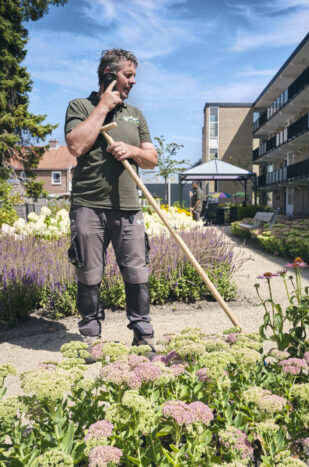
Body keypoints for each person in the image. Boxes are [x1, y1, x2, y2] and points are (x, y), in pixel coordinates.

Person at [64, 49, 158, 359]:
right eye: (127, 74)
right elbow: (77, 144)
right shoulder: (81, 106)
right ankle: (92, 338)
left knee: (137, 272)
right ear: (108, 74)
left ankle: (143, 337)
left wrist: (132, 150)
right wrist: (103, 106)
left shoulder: (136, 115)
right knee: (89, 273)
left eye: (134, 75)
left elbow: (152, 160)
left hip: (129, 207)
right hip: (88, 205)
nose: (133, 81)